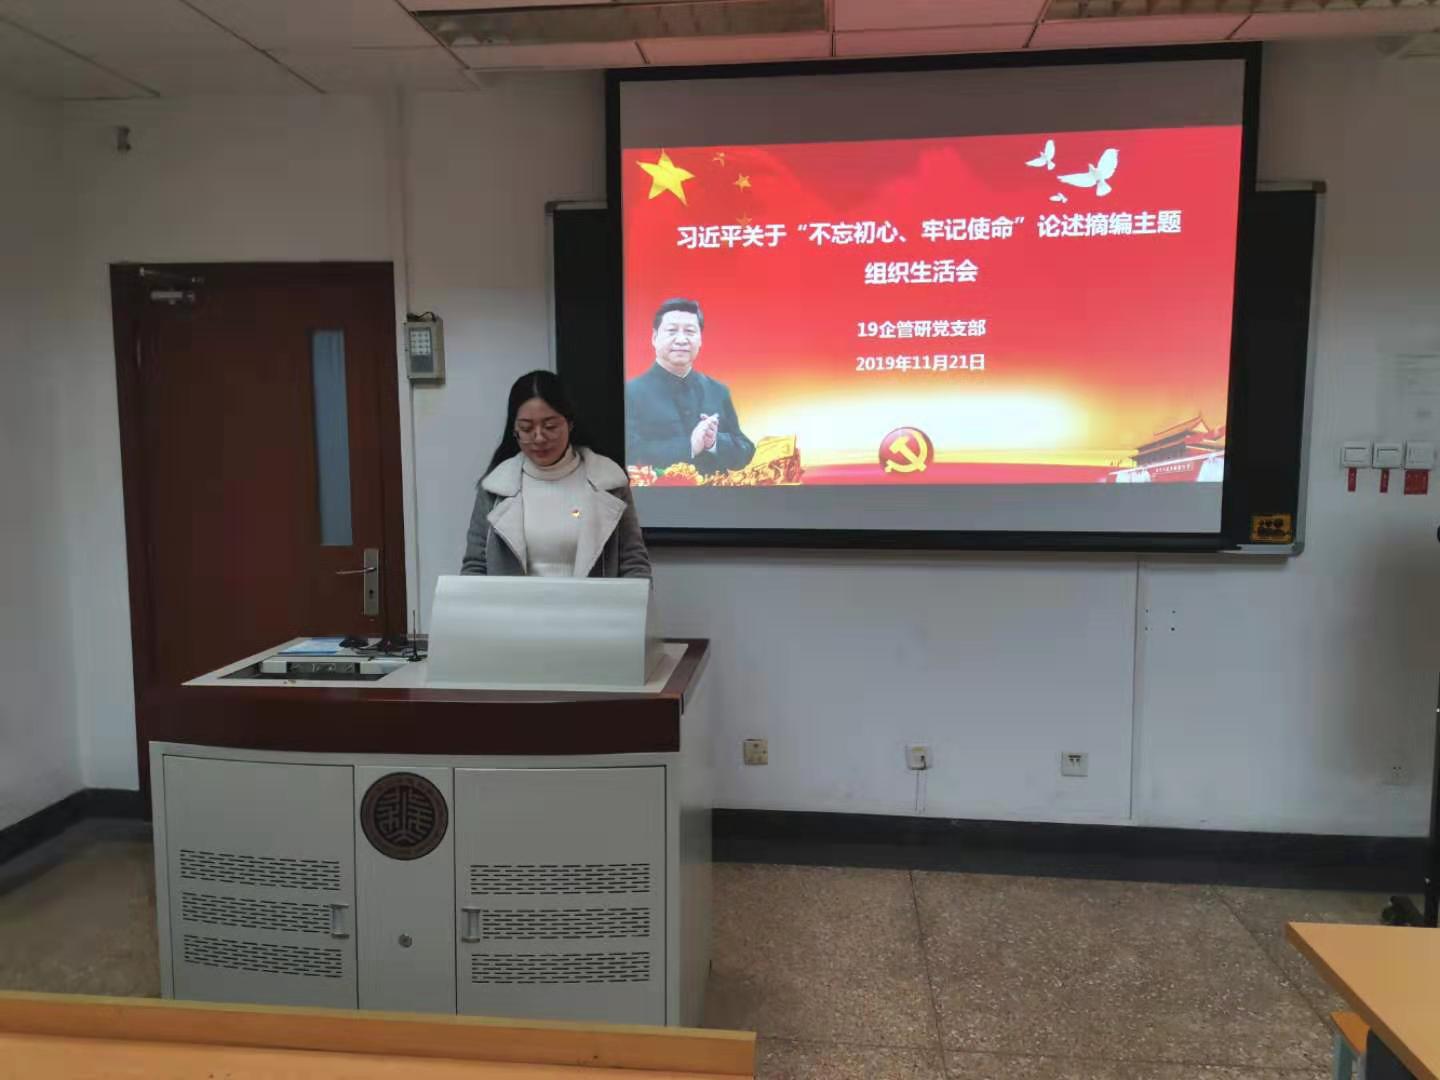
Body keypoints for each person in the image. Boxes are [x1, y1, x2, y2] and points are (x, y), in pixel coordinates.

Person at [462, 370, 650, 578]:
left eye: (550, 426)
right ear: (514, 431)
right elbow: (475, 567)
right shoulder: (495, 488)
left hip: (592, 600)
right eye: (526, 429)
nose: (539, 438)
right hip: (512, 601)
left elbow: (634, 565)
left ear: (570, 423)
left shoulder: (609, 481)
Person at [625, 298, 755, 476]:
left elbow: (745, 451)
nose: (681, 340)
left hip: (718, 493)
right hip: (655, 493)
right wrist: (691, 445)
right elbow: (629, 452)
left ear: (700, 339)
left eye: (690, 331)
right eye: (672, 331)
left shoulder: (718, 391)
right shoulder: (631, 392)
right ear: (654, 338)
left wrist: (714, 442)